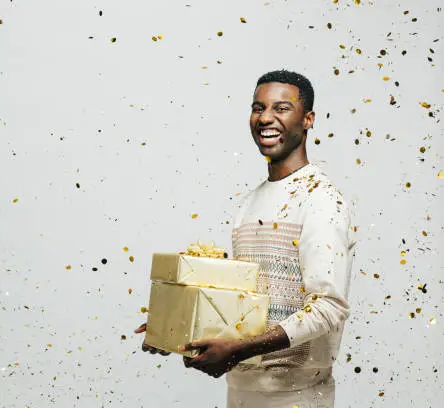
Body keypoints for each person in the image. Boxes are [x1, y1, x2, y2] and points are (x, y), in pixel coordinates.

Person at [135, 69, 356, 408]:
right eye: (258, 107)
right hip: (242, 392)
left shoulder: (321, 200)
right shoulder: (248, 204)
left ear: (308, 119)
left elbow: (328, 307)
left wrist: (238, 349)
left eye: (281, 108)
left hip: (296, 397)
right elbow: (244, 303)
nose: (266, 117)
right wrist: (175, 324)